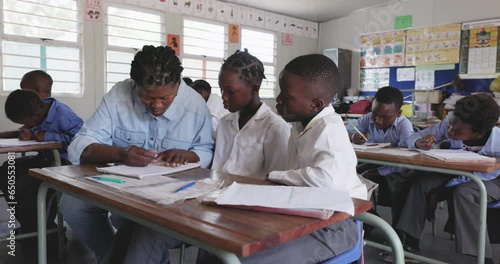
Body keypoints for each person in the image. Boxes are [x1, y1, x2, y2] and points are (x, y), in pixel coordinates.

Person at [199, 54, 367, 264]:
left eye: (286, 97)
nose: (278, 100)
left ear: (315, 104)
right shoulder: (299, 126)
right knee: (215, 249)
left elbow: (327, 181)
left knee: (243, 260)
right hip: (305, 216)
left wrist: (277, 176)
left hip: (335, 227)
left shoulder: (329, 131)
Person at [59, 45, 214, 262]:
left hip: (170, 191)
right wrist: (120, 153)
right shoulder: (119, 95)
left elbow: (206, 149)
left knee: (137, 225)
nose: (157, 106)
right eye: (148, 98)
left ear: (178, 85)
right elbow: (82, 143)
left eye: (166, 98)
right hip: (120, 184)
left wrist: (189, 156)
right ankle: (109, 256)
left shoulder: (195, 105)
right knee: (72, 205)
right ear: (135, 86)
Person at [381, 94, 500, 263]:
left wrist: (443, 189)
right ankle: (409, 242)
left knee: (464, 192)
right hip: (459, 172)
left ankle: (482, 257)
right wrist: (419, 143)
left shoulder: (498, 140)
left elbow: (483, 175)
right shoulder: (453, 123)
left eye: (458, 132)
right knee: (420, 182)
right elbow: (410, 138)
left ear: (479, 133)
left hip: (492, 179)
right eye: (451, 125)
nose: (451, 131)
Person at [0, 89, 83, 261]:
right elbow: (33, 129)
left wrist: (42, 135)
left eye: (26, 123)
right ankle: (32, 226)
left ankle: (45, 232)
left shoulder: (62, 114)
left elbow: (80, 138)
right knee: (6, 169)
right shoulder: (40, 111)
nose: (26, 126)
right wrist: (29, 132)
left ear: (36, 114)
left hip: (65, 165)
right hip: (46, 159)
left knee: (21, 186)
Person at [211, 50, 289, 179]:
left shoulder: (275, 128)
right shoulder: (224, 122)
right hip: (216, 190)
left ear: (254, 88)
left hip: (252, 195)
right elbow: (217, 167)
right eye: (221, 89)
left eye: (231, 91)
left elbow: (277, 179)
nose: (224, 97)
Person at [346, 86, 413, 220]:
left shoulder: (404, 126)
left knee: (401, 188)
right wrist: (353, 136)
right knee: (350, 178)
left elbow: (406, 161)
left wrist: (377, 172)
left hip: (398, 169)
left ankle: (399, 234)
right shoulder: (369, 118)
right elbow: (346, 130)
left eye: (385, 117)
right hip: (374, 163)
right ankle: (368, 220)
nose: (378, 120)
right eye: (375, 114)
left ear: (398, 113)